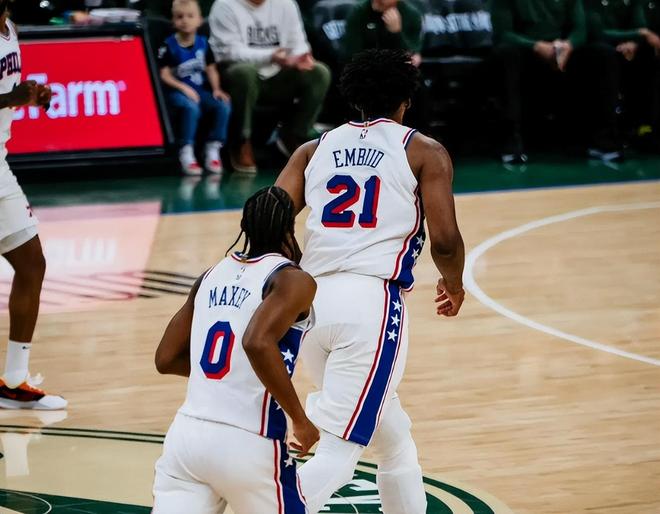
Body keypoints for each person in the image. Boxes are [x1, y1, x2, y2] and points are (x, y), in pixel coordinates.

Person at [275, 49, 465, 513]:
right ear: (406, 100)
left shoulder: (312, 150)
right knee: (339, 452)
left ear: (353, 98)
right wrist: (454, 284)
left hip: (308, 303)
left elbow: (269, 219)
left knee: (392, 434)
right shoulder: (423, 150)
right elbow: (444, 241)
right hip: (370, 307)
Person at [152, 186, 319, 513]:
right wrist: (300, 420)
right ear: (290, 227)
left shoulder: (210, 275)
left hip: (186, 438)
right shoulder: (293, 280)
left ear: (244, 226)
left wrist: (228, 375)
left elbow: (166, 358)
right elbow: (256, 342)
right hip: (248, 438)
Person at [0, 0, 67, 410]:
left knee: (31, 263)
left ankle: (14, 380)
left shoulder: (10, 29)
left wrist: (29, 96)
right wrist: (10, 97)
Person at [491, 0, 623, 163]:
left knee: (603, 54)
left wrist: (569, 45)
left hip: (561, 52)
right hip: (525, 51)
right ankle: (510, 142)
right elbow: (503, 34)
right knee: (507, 54)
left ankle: (604, 142)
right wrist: (536, 46)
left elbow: (580, 30)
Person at [208, 0, 331, 174]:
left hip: (279, 73)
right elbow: (228, 53)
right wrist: (271, 56)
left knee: (319, 72)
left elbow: (298, 44)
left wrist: (299, 58)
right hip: (238, 77)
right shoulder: (224, 6)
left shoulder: (286, 4)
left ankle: (294, 135)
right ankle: (241, 141)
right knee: (244, 72)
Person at [159, 0, 231, 175]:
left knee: (223, 105)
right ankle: (186, 151)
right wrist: (183, 89)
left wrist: (216, 89)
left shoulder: (204, 43)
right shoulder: (168, 45)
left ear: (199, 20)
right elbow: (164, 75)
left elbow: (211, 69)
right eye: (179, 17)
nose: (185, 20)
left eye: (190, 16)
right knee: (191, 108)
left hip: (200, 91)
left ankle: (213, 148)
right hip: (177, 92)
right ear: (173, 21)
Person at [585, 0, 660, 151]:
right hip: (593, 48)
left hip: (627, 47)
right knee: (606, 55)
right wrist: (637, 35)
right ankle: (605, 137)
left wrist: (634, 42)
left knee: (650, 53)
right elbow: (596, 32)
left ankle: (648, 130)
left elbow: (640, 25)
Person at [343, 0, 423, 66]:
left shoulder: (412, 15)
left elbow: (412, 52)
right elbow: (352, 54)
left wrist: (396, 32)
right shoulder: (359, 12)